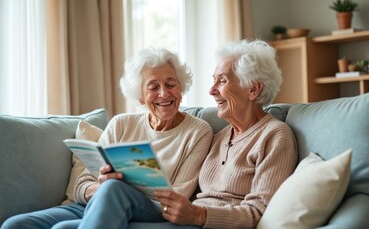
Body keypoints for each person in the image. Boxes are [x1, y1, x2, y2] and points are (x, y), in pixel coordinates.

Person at [2, 47, 213, 229]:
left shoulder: (198, 131)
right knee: (17, 225)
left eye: (170, 84)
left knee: (110, 191)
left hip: (149, 209)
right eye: (153, 87)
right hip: (95, 202)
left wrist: (118, 189)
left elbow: (180, 197)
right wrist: (98, 188)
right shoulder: (121, 124)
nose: (164, 93)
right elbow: (82, 182)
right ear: (140, 96)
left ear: (181, 88)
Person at [129, 39, 299, 228]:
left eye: (222, 80)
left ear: (253, 89)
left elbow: (260, 212)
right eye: (213, 80)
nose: (211, 90)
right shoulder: (219, 136)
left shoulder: (274, 136)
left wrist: (199, 215)